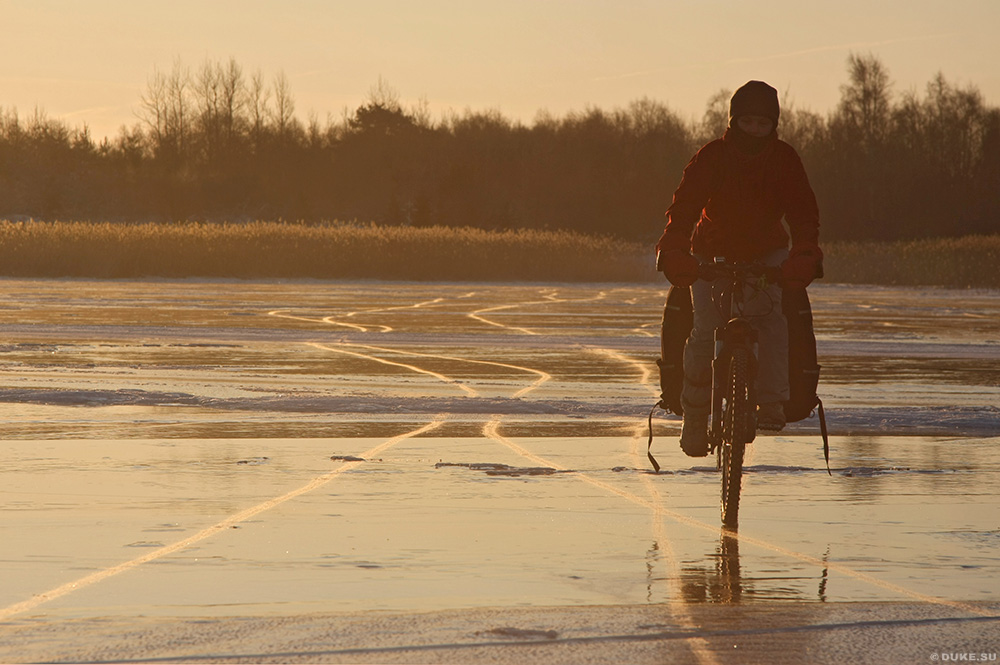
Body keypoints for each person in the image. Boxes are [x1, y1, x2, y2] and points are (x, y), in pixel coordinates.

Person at [655, 80, 822, 457]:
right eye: (747, 122)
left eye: (763, 125)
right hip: (711, 253)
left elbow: (803, 213)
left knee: (772, 320)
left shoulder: (784, 160)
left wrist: (805, 252)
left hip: (768, 252)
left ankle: (771, 402)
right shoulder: (712, 156)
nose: (755, 131)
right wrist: (676, 247)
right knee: (704, 331)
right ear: (734, 121)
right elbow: (683, 207)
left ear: (773, 125)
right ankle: (695, 418)